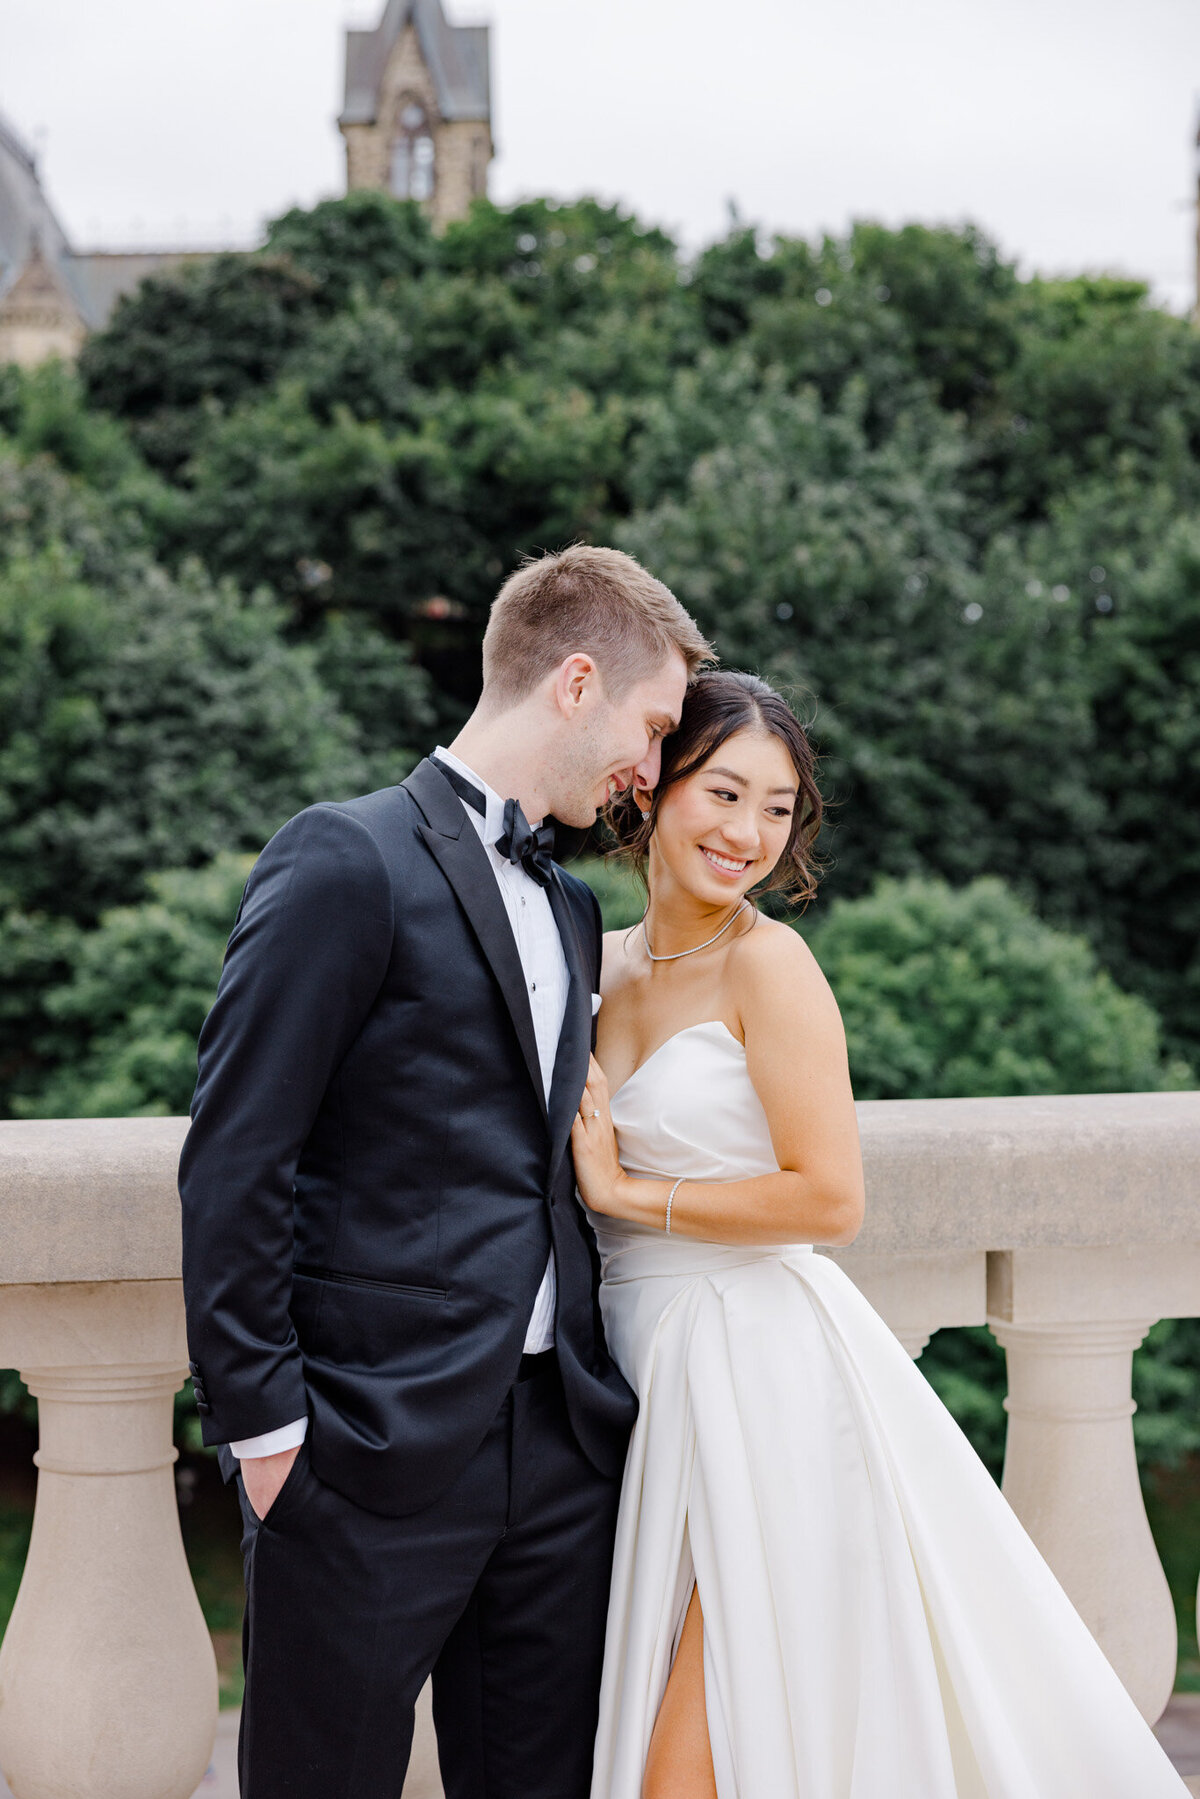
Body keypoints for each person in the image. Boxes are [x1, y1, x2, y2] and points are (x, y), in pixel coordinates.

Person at [571, 669, 1189, 1799]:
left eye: (777, 808)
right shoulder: (597, 967)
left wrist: (628, 1193)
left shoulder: (770, 964)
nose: (750, 832)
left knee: (697, 1759)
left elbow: (829, 1197)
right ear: (654, 786)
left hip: (758, 1375)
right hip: (640, 1372)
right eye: (725, 792)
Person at [178, 545, 712, 1799]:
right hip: (362, 1449)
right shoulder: (343, 858)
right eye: (651, 726)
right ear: (575, 682)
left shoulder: (576, 906)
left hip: (561, 1446)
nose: (654, 769)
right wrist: (269, 1436)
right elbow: (238, 1159)